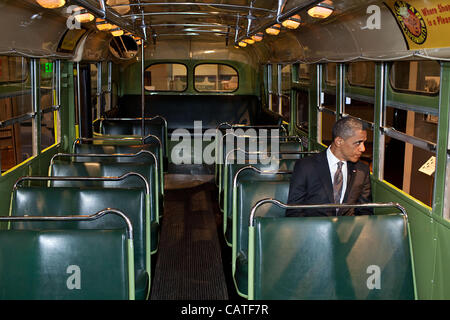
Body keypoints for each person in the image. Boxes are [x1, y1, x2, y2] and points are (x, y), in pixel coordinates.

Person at [286, 117, 372, 217]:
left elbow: (365, 211)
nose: (363, 148)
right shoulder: (306, 167)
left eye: (364, 143)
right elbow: (294, 211)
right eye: (358, 143)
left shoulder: (362, 171)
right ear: (339, 141)